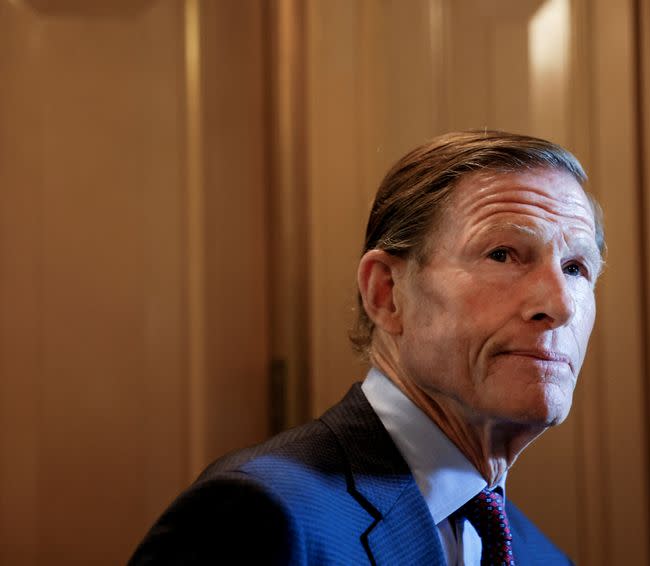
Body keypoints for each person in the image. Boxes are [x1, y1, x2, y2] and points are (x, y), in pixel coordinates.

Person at [129, 130, 605, 565]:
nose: (559, 305)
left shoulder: (541, 556)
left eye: (576, 268)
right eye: (502, 254)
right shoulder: (254, 518)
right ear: (386, 294)